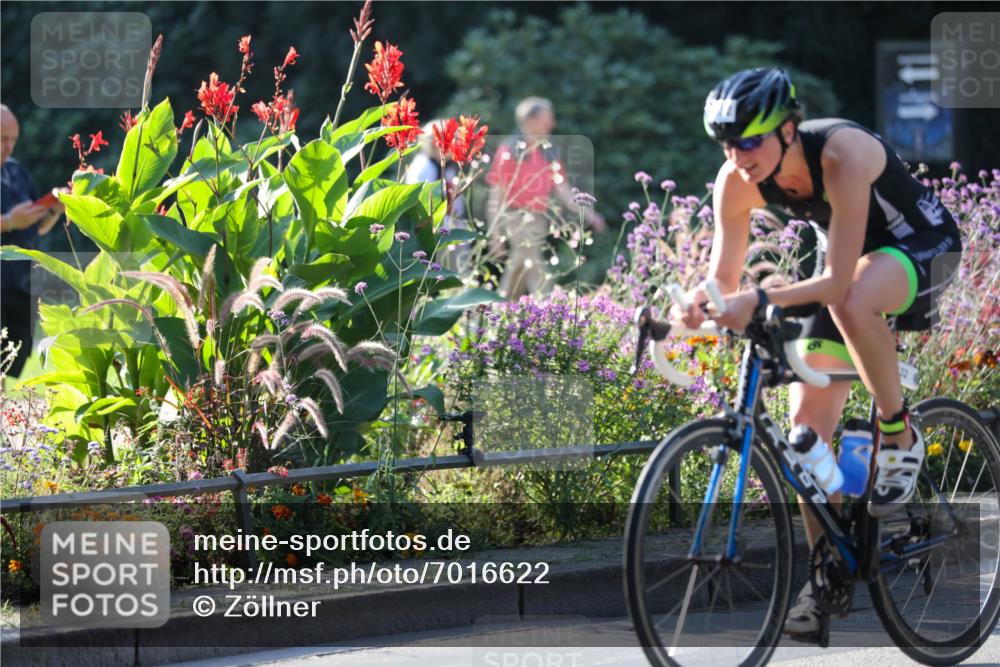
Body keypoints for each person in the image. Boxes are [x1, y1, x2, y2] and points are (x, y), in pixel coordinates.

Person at [675, 68, 961, 635]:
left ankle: (899, 430)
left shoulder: (842, 154)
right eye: (728, 144)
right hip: (846, 270)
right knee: (804, 436)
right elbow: (723, 279)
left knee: (852, 297)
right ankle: (827, 573)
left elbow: (833, 286)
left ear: (787, 129)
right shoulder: (736, 181)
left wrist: (756, 297)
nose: (738, 155)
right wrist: (696, 306)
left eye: (750, 141)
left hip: (921, 247)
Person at [485, 97, 605, 299]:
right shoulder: (509, 152)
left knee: (518, 268)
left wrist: (590, 214)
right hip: (515, 220)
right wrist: (495, 235)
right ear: (530, 121)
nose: (553, 123)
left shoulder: (549, 153)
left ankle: (499, 315)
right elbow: (496, 196)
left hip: (538, 221)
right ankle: (549, 310)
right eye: (547, 118)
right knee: (536, 268)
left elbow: (564, 190)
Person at [0, 104, 64, 378]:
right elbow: (17, 222)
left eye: (14, 139)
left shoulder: (16, 172)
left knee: (11, 358)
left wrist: (54, 210)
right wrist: (10, 221)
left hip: (19, 283)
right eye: (3, 139)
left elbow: (34, 230)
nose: (9, 147)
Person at [404, 120, 470, 275]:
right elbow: (420, 207)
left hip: (453, 230)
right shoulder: (422, 168)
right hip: (436, 235)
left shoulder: (448, 167)